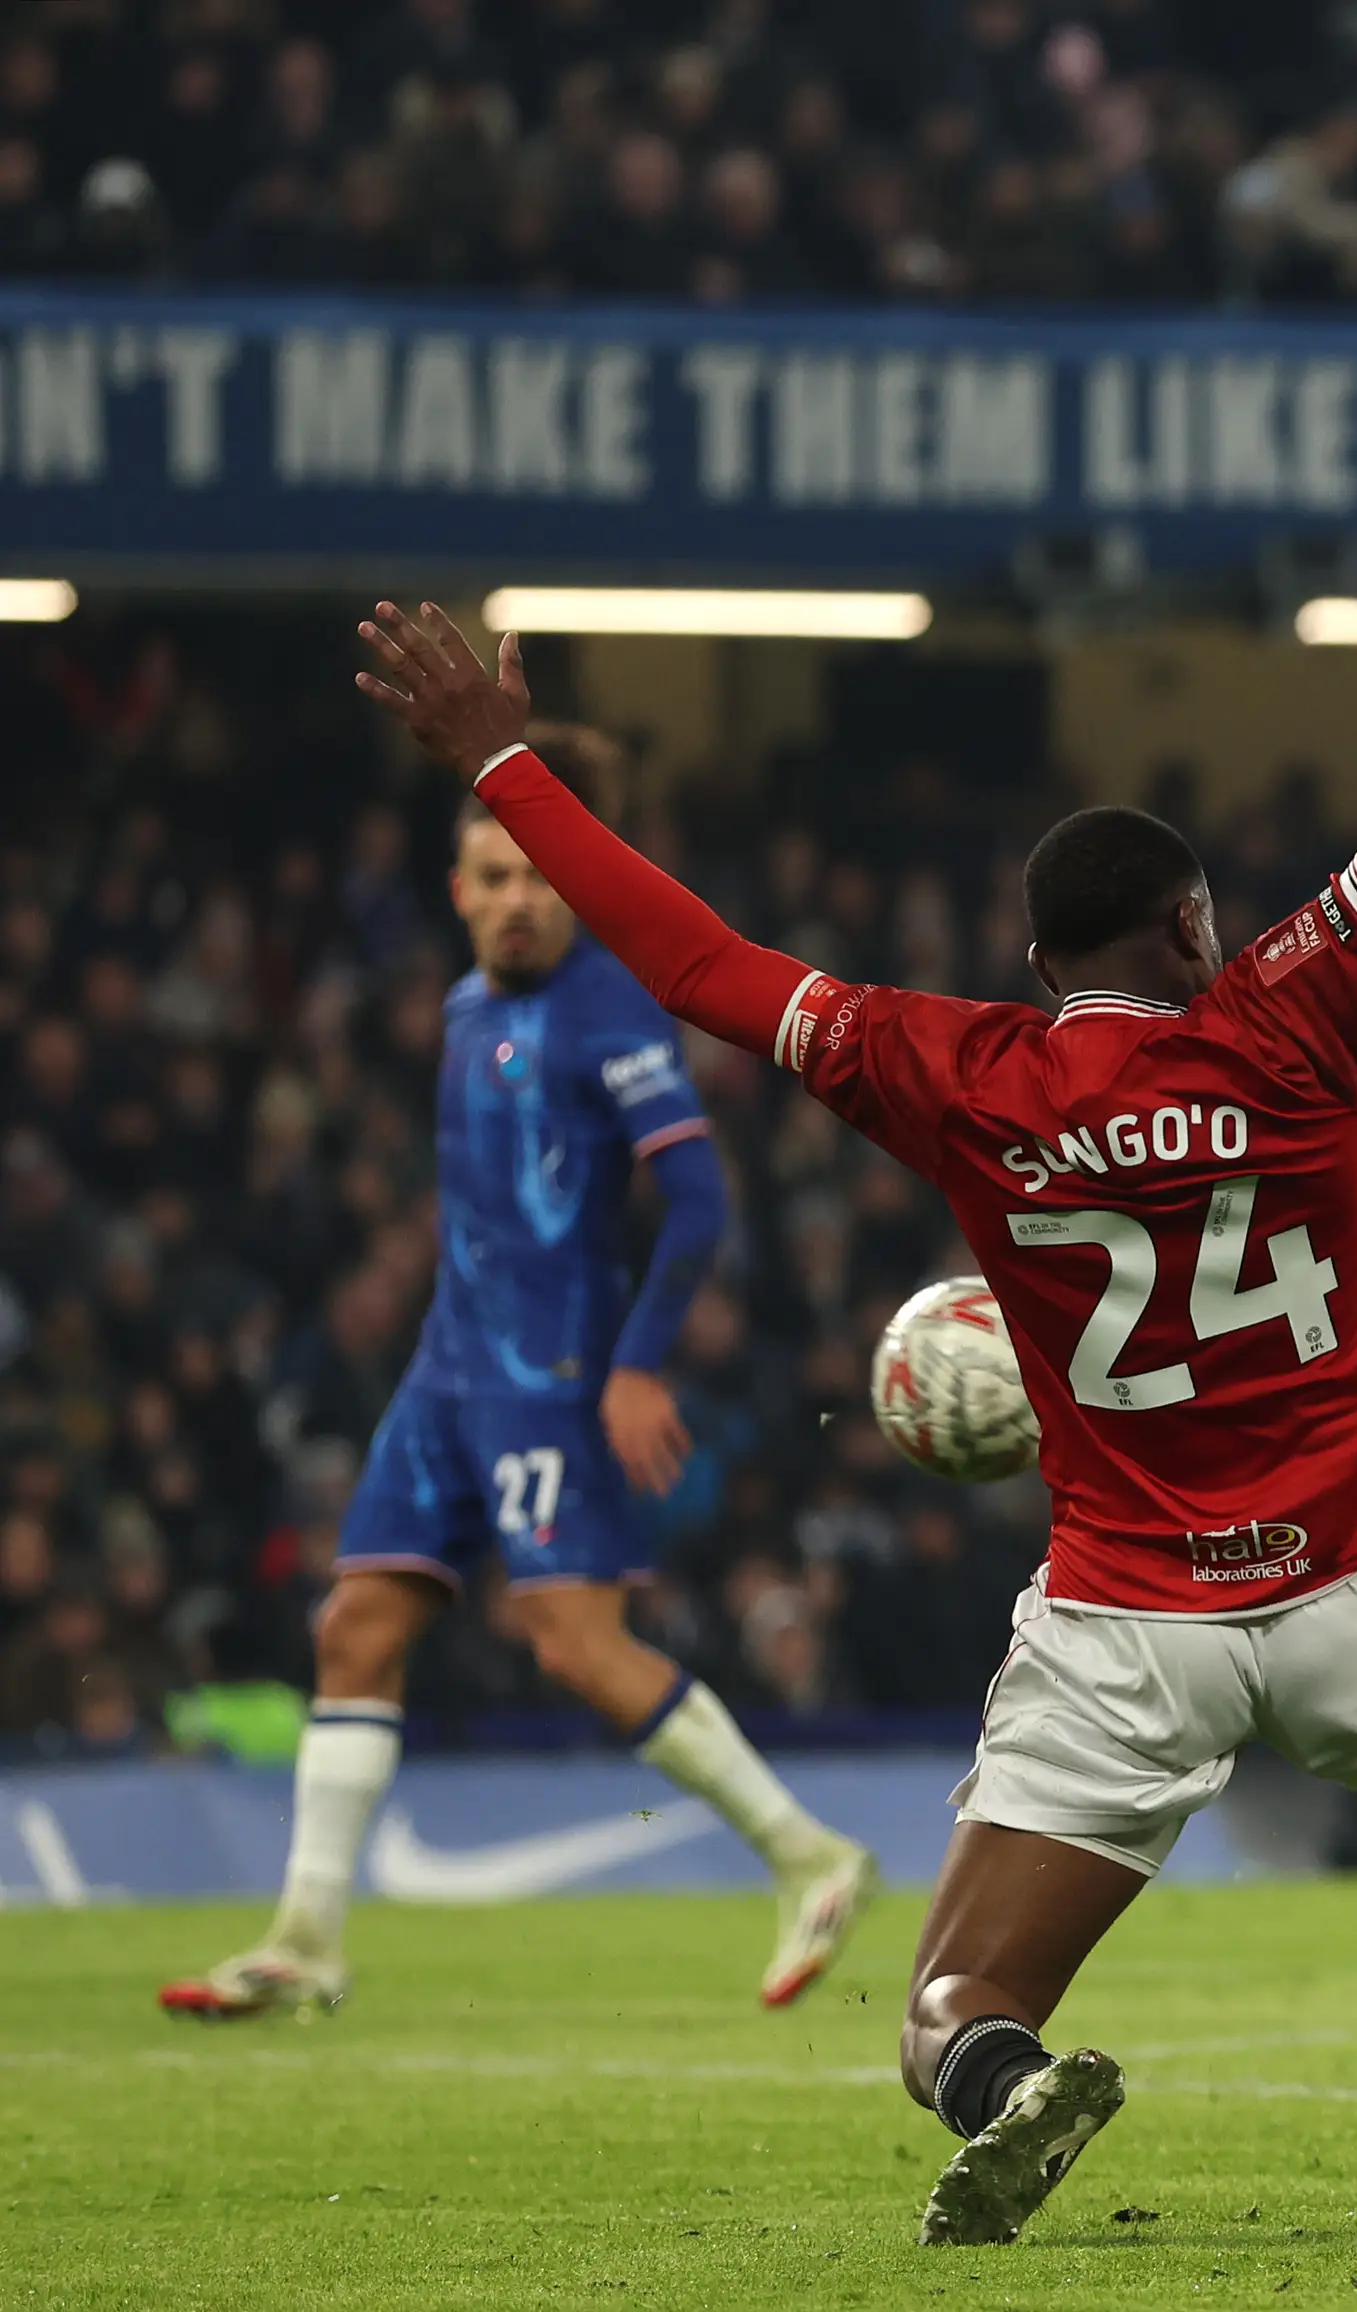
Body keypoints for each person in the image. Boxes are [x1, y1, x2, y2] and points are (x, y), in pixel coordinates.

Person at [348, 393, 1357, 2247]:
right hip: (1355, 1593)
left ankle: (1010, 2081)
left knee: (943, 2011)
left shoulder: (960, 1069)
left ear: (1045, 962)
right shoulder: (1296, 1018)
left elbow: (702, 966)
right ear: (1198, 928)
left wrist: (503, 761)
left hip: (1130, 1621)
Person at [160, 730, 878, 2023]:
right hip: (446, 1373)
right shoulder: (464, 1008)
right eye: (490, 877)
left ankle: (808, 1853)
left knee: (576, 1649)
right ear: (456, 893)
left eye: (537, 875)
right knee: (355, 1629)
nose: (513, 898)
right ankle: (308, 1935)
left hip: (550, 1377)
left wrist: (636, 1367)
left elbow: (701, 1199)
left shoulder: (605, 1011)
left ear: (572, 887)